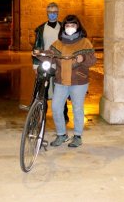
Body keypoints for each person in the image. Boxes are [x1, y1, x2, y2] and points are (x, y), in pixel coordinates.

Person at [37, 15, 96, 148]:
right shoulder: (58, 43)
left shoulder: (84, 42)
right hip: (61, 80)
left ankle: (77, 136)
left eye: (73, 25)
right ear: (64, 27)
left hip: (79, 81)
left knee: (77, 108)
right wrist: (40, 54)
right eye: (67, 25)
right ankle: (61, 134)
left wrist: (83, 58)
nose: (70, 28)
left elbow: (93, 59)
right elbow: (51, 57)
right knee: (56, 107)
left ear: (78, 26)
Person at [32, 2, 69, 123]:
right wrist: (35, 65)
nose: (52, 14)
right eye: (50, 12)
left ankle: (63, 115)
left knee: (61, 89)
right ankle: (41, 116)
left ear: (58, 13)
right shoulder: (41, 29)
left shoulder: (64, 28)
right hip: (45, 63)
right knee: (43, 89)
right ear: (47, 13)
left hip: (60, 64)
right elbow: (37, 46)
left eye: (55, 12)